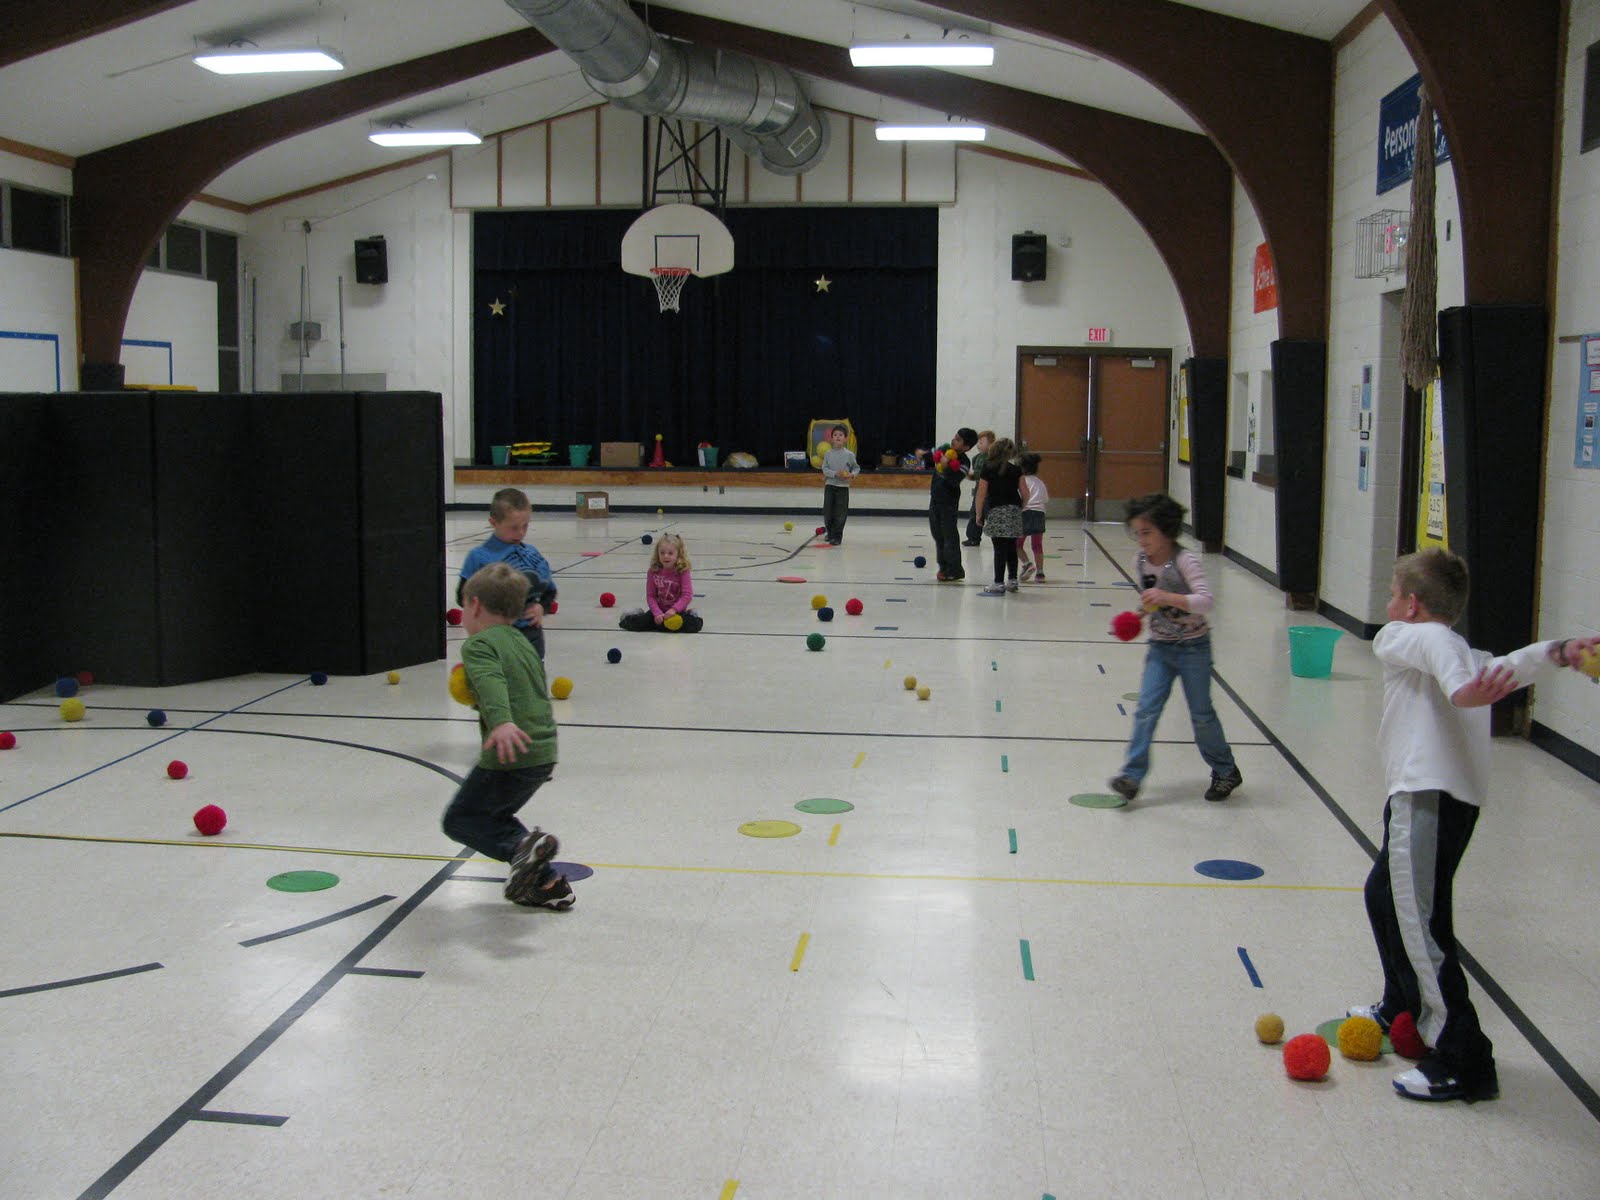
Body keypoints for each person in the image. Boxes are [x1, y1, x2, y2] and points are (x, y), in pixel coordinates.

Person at [1347, 547, 1598, 1103]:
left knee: (1419, 921)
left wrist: (1464, 691)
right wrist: (1558, 651)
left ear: (1411, 605)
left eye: (1393, 595)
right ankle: (1400, 1006)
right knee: (1382, 896)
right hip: (1442, 801)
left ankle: (1464, 1060)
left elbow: (1450, 660)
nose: (1387, 605)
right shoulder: (1454, 650)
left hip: (1426, 799)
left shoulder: (1407, 637)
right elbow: (1506, 666)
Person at [441, 561, 573, 910]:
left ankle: (521, 849)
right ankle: (546, 884)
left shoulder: (479, 645)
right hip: (542, 751)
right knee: (493, 818)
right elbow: (526, 687)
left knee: (461, 819)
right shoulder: (521, 641)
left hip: (511, 751)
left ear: (475, 606)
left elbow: (490, 682)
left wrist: (499, 721)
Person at [1107, 493, 1242, 803]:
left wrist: (1168, 597)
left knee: (1202, 715)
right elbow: (1152, 599)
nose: (1141, 540)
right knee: (1145, 711)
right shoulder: (1139, 562)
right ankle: (1132, 775)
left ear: (1166, 530)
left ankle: (1225, 770)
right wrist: (1140, 614)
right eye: (1137, 533)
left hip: (1194, 648)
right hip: (1160, 649)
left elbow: (1205, 601)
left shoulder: (1185, 560)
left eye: (1147, 532)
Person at [458, 487, 557, 661]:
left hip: (530, 634)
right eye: (513, 528)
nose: (521, 533)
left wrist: (542, 607)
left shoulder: (533, 555)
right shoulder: (479, 557)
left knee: (531, 678)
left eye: (525, 526)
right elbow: (462, 596)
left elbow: (549, 590)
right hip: (492, 637)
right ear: (494, 522)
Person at [619, 533, 703, 632]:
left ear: (678, 555)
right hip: (658, 611)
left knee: (692, 626)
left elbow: (687, 595)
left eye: (670, 553)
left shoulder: (683, 571)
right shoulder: (653, 571)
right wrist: (657, 613)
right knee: (641, 624)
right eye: (662, 553)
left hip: (677, 612)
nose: (665, 556)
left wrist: (674, 610)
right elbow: (651, 596)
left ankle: (692, 614)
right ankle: (633, 615)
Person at [972, 437, 1024, 595]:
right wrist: (1022, 507)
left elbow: (981, 494)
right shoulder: (1016, 470)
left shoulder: (988, 468)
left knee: (999, 548)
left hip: (996, 511)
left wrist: (978, 514)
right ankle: (1013, 580)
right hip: (1014, 510)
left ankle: (998, 582)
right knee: (1011, 547)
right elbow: (1026, 493)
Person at [928, 426, 977, 581]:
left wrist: (947, 465)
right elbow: (933, 454)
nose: (953, 441)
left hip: (948, 502)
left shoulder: (964, 461)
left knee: (949, 535)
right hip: (935, 498)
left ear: (966, 447)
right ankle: (943, 567)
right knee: (937, 533)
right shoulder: (945, 450)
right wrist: (927, 454)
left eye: (958, 440)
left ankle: (955, 569)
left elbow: (954, 479)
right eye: (954, 437)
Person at [820, 424, 859, 546]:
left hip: (843, 488)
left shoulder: (849, 455)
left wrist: (851, 475)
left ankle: (837, 536)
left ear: (845, 439)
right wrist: (835, 474)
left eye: (840, 435)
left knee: (840, 513)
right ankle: (830, 533)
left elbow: (856, 468)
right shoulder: (828, 454)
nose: (838, 437)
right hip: (830, 486)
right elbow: (825, 469)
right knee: (828, 511)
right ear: (831, 439)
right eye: (835, 435)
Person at [1016, 451, 1050, 582]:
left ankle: (1027, 564)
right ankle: (1040, 573)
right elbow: (1045, 499)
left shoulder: (1021, 481)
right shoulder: (1040, 483)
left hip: (1025, 513)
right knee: (1037, 545)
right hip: (1039, 514)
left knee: (1017, 544)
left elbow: (1020, 497)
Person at [963, 430, 994, 545]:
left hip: (990, 491)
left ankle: (997, 536)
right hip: (978, 490)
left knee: (990, 514)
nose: (978, 445)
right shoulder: (976, 458)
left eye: (981, 442)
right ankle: (973, 538)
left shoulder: (993, 458)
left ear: (991, 444)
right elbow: (975, 475)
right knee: (975, 513)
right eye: (978, 442)